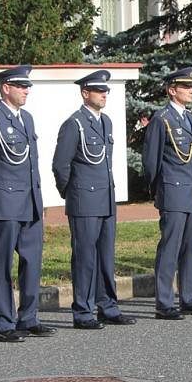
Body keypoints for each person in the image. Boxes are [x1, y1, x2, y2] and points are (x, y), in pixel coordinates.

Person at [0, 65, 56, 341]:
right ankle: (4, 323)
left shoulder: (26, 119)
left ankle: (28, 317)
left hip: (28, 204)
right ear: (6, 88)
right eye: (21, 86)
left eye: (27, 86)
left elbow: (32, 165)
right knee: (2, 265)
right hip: (4, 204)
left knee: (32, 263)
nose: (26, 91)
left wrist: (38, 200)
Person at [53, 70, 136, 328]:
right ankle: (83, 310)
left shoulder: (105, 122)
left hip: (105, 198)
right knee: (85, 257)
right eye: (99, 91)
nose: (104, 95)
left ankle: (108, 306)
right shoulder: (75, 123)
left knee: (105, 256)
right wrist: (73, 193)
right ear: (85, 93)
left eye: (106, 91)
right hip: (84, 200)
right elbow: (60, 166)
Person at [142, 68, 192, 319]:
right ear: (172, 90)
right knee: (170, 248)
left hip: (191, 193)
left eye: (191, 86)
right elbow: (151, 162)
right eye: (186, 87)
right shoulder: (162, 119)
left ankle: (189, 297)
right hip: (172, 192)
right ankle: (164, 302)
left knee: (191, 248)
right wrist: (159, 191)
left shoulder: (189, 119)